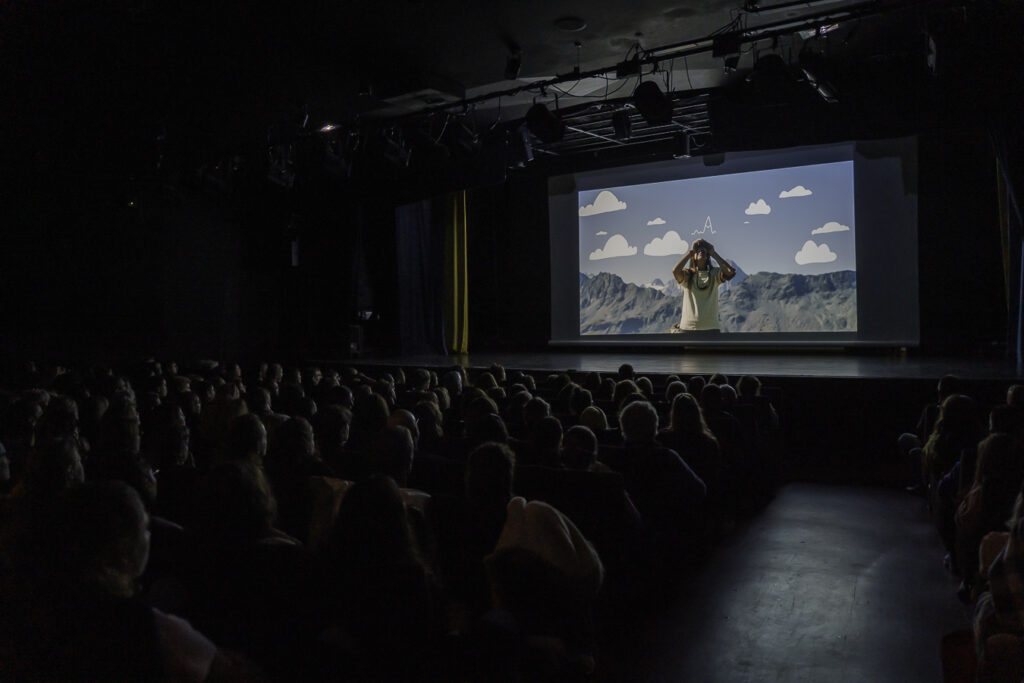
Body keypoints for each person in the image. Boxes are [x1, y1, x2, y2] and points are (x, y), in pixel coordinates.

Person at [671, 238, 736, 331]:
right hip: (688, 328)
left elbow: (730, 272)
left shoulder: (714, 274)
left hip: (711, 329)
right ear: (694, 256)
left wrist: (714, 253)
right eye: (698, 251)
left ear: (707, 257)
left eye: (704, 251)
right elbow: (675, 271)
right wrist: (689, 254)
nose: (701, 252)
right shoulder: (688, 274)